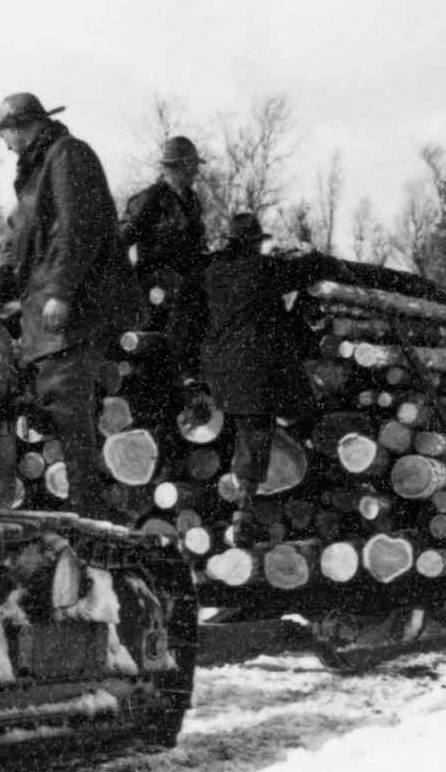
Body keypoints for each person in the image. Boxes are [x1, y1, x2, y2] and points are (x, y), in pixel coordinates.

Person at [0, 92, 140, 518]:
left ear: (21, 128)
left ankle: (88, 510)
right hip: (44, 307)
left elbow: (77, 228)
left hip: (74, 309)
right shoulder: (39, 168)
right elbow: (27, 231)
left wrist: (61, 291)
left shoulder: (68, 155)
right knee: (52, 403)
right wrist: (6, 273)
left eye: (6, 135)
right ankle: (79, 503)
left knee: (68, 405)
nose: (6, 146)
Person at [197, 212, 316, 545]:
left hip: (221, 367)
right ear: (254, 244)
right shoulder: (262, 270)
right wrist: (309, 255)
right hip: (254, 369)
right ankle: (243, 515)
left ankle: (237, 509)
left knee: (249, 429)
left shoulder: (214, 272)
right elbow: (303, 272)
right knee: (256, 430)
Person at [119, 135, 208, 369]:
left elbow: (197, 241)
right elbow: (121, 240)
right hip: (155, 285)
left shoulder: (192, 200)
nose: (196, 172)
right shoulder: (150, 199)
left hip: (187, 280)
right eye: (193, 166)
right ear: (180, 166)